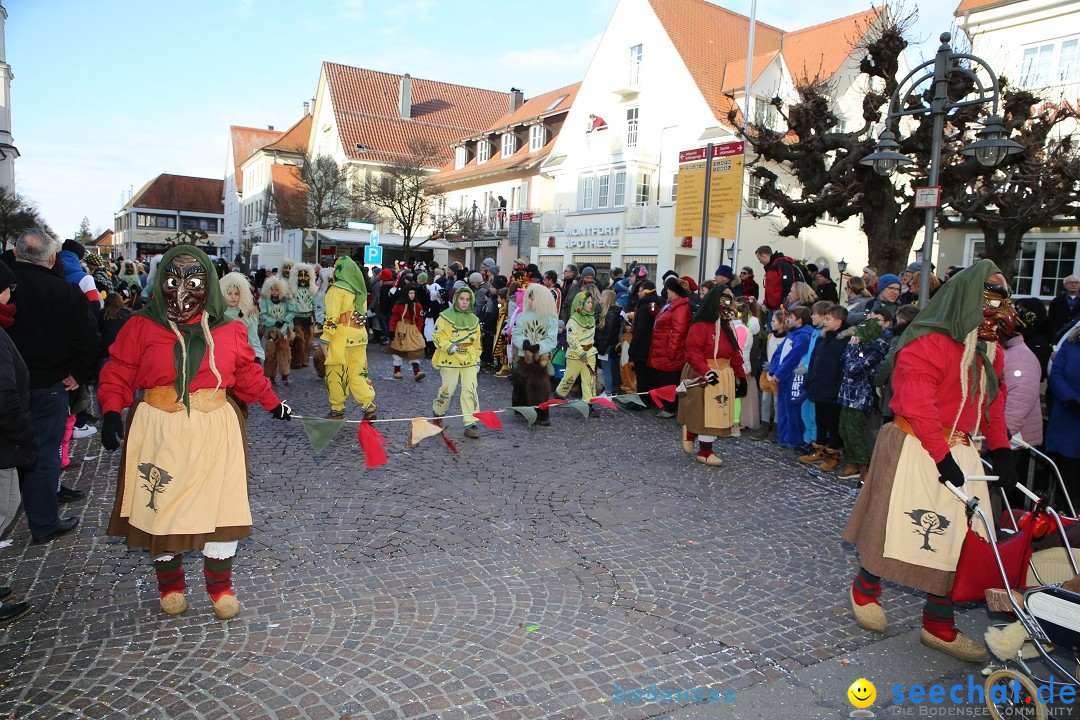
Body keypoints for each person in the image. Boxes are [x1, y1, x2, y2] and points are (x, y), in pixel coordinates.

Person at [98, 245, 291, 619]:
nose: (183, 293)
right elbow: (119, 369)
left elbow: (247, 374)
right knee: (163, 508)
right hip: (160, 428)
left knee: (220, 508)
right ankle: (170, 586)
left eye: (194, 282)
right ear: (160, 284)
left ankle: (220, 588)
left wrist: (272, 402)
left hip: (214, 429)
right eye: (173, 281)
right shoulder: (141, 325)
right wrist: (109, 410)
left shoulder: (229, 329)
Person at [843, 260, 1018, 663]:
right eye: (990, 302)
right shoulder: (927, 342)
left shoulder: (989, 350)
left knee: (961, 540)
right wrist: (941, 457)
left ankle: (938, 624)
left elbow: (993, 404)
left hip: (959, 449)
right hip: (915, 445)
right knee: (897, 524)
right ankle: (865, 589)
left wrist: (1002, 450)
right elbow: (920, 405)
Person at [7, 229, 97, 544]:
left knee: (19, 455)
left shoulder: (10, 289)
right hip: (48, 384)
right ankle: (42, 522)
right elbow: (88, 338)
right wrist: (80, 372)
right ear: (51, 258)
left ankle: (32, 516)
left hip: (16, 384)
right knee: (44, 455)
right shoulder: (64, 291)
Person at [678, 287, 746, 466]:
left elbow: (734, 353)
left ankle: (691, 433)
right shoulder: (700, 326)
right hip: (704, 372)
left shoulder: (727, 326)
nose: (727, 306)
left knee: (717, 411)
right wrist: (706, 371)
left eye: (729, 301)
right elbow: (693, 352)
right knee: (706, 413)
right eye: (723, 301)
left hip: (723, 373)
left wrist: (741, 376)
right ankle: (705, 451)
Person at [834, 310, 893, 483]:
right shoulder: (859, 347)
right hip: (847, 395)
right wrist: (852, 349)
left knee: (855, 433)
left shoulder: (875, 351)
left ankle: (864, 465)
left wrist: (852, 348)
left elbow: (853, 369)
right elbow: (843, 362)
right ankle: (852, 461)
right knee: (844, 430)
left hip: (859, 398)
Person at [0, 260, 34, 539]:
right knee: (6, 506)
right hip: (5, 440)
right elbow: (4, 392)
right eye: (8, 289)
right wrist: (22, 435)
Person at [321, 256, 377, 420]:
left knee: (336, 372)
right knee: (358, 373)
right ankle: (369, 405)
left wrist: (325, 338)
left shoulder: (336, 290)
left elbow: (332, 317)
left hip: (341, 339)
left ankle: (337, 408)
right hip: (359, 337)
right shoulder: (359, 291)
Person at [799, 305, 848, 471]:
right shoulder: (822, 337)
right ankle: (818, 449)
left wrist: (837, 385)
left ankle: (833, 454)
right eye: (824, 318)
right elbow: (814, 359)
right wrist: (810, 379)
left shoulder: (845, 340)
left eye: (828, 319)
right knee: (819, 419)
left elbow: (843, 366)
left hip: (833, 388)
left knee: (832, 422)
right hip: (818, 385)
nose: (824, 322)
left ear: (839, 321)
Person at [432, 286, 481, 439]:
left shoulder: (475, 320)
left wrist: (477, 359)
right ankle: (437, 415)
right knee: (447, 391)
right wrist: (449, 347)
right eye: (461, 299)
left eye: (467, 299)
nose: (464, 302)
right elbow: (437, 335)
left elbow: (477, 343)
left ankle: (470, 423)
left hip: (469, 362)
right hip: (449, 360)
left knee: (470, 391)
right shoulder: (444, 317)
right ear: (456, 299)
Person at [512, 284, 560, 426]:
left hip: (540, 359)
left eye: (533, 299)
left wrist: (539, 347)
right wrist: (524, 343)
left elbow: (551, 339)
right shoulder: (522, 316)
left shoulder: (550, 319)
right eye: (529, 299)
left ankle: (540, 414)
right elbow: (516, 333)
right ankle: (520, 408)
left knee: (538, 386)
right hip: (524, 356)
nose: (530, 302)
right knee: (520, 380)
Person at [768, 307, 813, 449]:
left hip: (793, 378)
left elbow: (792, 358)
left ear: (799, 320)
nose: (788, 320)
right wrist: (774, 370)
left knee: (792, 410)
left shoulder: (803, 336)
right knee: (783, 409)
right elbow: (779, 353)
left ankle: (793, 439)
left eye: (791, 317)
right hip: (784, 378)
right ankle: (783, 437)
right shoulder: (793, 334)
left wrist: (779, 373)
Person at [648, 276, 693, 419]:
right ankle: (667, 406)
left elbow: (679, 333)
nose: (667, 292)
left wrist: (672, 352)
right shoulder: (672, 305)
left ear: (675, 291)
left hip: (670, 350)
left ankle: (670, 408)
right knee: (664, 379)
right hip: (663, 348)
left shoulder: (680, 308)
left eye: (669, 290)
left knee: (670, 380)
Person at [1046, 321, 1080, 500]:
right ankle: (1063, 519)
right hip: (1068, 416)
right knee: (1066, 476)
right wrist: (1070, 399)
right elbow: (1057, 372)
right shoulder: (1072, 342)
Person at [555, 292, 599, 408]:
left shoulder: (591, 319)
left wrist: (587, 353)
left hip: (589, 353)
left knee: (590, 379)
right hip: (575, 355)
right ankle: (559, 395)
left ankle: (589, 404)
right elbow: (572, 339)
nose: (591, 305)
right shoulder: (573, 321)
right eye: (588, 302)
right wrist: (581, 352)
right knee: (569, 378)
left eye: (591, 302)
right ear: (581, 304)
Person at [259, 277, 295, 387]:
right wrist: (273, 321)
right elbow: (263, 315)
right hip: (271, 332)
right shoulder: (265, 300)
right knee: (270, 354)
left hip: (283, 331)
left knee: (284, 353)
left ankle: (285, 375)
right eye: (272, 290)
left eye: (277, 290)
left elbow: (292, 312)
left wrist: (284, 321)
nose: (274, 292)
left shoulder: (286, 300)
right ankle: (270, 376)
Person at [220, 272, 262, 364]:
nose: (233, 297)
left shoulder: (247, 313)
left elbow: (253, 336)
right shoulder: (218, 314)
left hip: (243, 357)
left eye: (236, 294)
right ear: (223, 293)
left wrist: (257, 356)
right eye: (229, 293)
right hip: (222, 357)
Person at [389, 285, 427, 381]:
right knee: (398, 348)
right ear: (406, 294)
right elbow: (394, 318)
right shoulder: (398, 305)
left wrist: (418, 330)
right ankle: (397, 370)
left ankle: (416, 371)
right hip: (400, 328)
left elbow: (420, 319)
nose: (412, 295)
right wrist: (392, 330)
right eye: (410, 293)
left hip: (412, 329)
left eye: (414, 293)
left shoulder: (417, 306)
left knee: (413, 348)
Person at [288, 263, 317, 369]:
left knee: (308, 341)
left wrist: (316, 318)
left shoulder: (313, 290)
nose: (303, 278)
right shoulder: (292, 290)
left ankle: (305, 359)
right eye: (301, 275)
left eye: (306, 275)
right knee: (299, 339)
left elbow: (315, 305)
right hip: (296, 317)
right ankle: (296, 360)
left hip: (308, 317)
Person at [596, 289, 624, 397]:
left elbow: (608, 333)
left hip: (606, 346)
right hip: (608, 345)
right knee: (608, 369)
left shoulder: (610, 314)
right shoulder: (611, 312)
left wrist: (602, 347)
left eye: (602, 296)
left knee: (607, 370)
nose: (600, 298)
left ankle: (608, 391)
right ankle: (609, 390)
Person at [757, 246, 797, 313]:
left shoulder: (781, 265)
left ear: (763, 256)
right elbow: (769, 288)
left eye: (759, 258)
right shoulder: (770, 267)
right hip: (772, 306)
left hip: (780, 307)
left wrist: (783, 304)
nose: (759, 261)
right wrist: (766, 303)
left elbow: (787, 285)